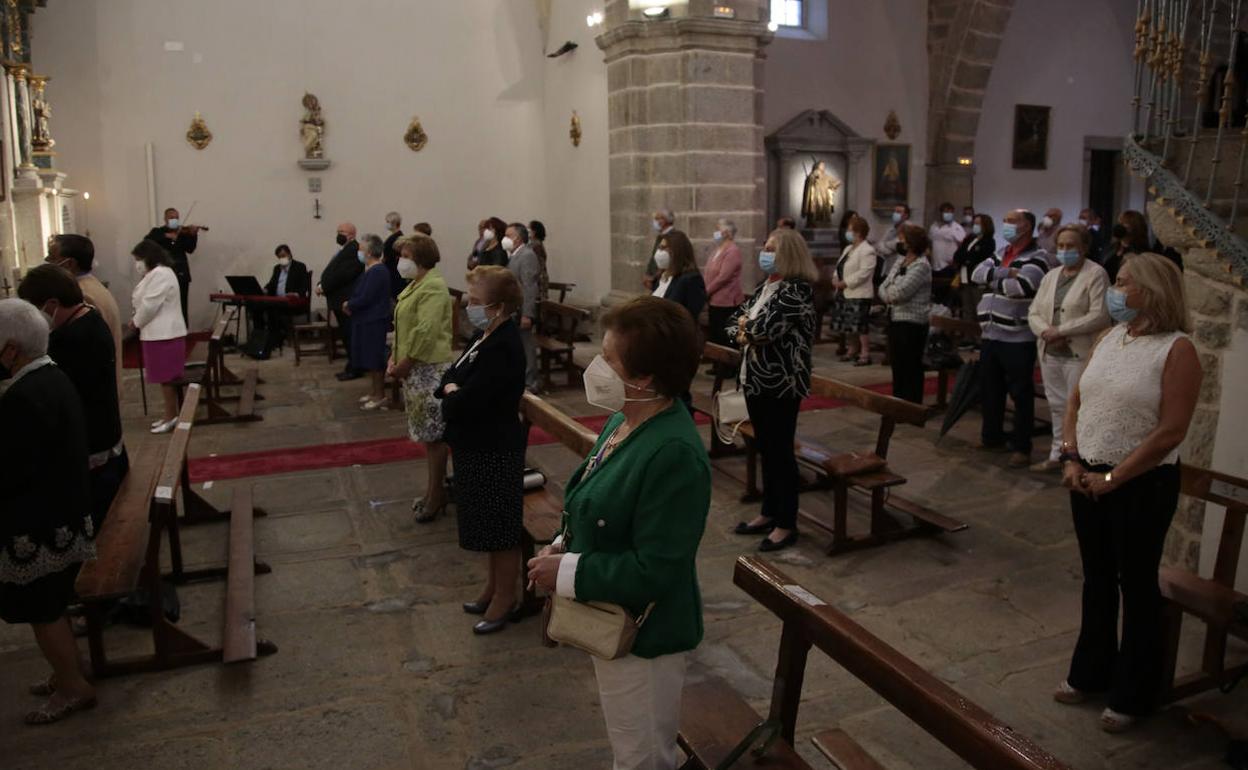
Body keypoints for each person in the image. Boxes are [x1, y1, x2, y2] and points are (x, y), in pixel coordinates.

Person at [526, 296, 709, 770]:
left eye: (609, 359)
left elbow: (657, 569)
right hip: (612, 617)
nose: (597, 366)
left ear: (645, 376)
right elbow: (596, 503)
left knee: (642, 757)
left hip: (646, 637)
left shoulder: (673, 452)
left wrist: (564, 573)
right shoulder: (625, 419)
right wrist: (564, 544)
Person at [1055, 253, 1202, 733]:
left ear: (1152, 290)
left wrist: (1116, 478)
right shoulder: (1110, 336)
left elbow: (1171, 431)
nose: (1114, 291)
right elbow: (1078, 400)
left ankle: (1135, 694)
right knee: (1096, 579)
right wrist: (1071, 457)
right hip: (1087, 476)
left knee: (1136, 586)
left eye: (1122, 283)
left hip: (1141, 484)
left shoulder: (1177, 350)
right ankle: (1091, 672)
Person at [0, 298, 98, 726]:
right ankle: (68, 671)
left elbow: (14, 467)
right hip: (64, 513)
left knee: (43, 610)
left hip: (39, 523)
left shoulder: (25, 395)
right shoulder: (51, 376)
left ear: (10, 348)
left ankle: (73, 687)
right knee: (52, 603)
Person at [435, 266, 527, 634]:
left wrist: (454, 394)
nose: (469, 307)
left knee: (500, 528)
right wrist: (452, 390)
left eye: (475, 301)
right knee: (486, 525)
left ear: (499, 306)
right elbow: (448, 378)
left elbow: (468, 399)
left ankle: (507, 597)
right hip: (474, 444)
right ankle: (493, 588)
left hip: (494, 446)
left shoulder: (504, 345)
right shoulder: (483, 334)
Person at [727, 228, 817, 552]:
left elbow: (764, 330)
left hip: (781, 385)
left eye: (772, 248)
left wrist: (746, 329)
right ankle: (768, 511)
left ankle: (786, 523)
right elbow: (732, 322)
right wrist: (744, 329)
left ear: (789, 254)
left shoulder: (796, 292)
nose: (765, 253)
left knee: (781, 453)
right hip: (754, 380)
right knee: (765, 449)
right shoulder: (765, 287)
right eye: (765, 247)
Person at [17, 265, 127, 529]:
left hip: (92, 447)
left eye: (34, 310)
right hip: (103, 437)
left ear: (52, 304)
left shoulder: (72, 339)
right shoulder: (88, 318)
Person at [1026, 225, 1111, 473]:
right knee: (1056, 405)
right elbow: (1034, 311)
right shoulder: (1051, 276)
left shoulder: (1096, 274)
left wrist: (1062, 331)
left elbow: (1099, 315)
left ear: (1084, 247)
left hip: (1078, 352)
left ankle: (1078, 456)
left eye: (1071, 246)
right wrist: (1046, 331)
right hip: (1050, 350)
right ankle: (1057, 452)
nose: (1065, 251)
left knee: (1077, 407)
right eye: (1061, 246)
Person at [971, 209, 1050, 467]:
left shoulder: (1038, 257)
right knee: (990, 389)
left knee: (1021, 393)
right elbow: (976, 275)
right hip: (991, 334)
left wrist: (994, 277)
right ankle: (991, 436)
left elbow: (1022, 288)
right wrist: (1006, 273)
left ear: (1026, 226)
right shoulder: (1000, 253)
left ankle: (1021, 446)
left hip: (1018, 337)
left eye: (1011, 221)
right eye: (1004, 220)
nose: (1006, 225)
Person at [387, 235, 455, 522]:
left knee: (435, 437)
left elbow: (425, 331)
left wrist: (405, 361)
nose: (401, 261)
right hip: (414, 368)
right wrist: (394, 357)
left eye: (405, 255)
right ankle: (432, 492)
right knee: (428, 438)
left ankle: (436, 495)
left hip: (427, 368)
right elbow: (403, 327)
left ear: (421, 257)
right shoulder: (416, 285)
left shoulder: (434, 287)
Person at [46, 234, 123, 399]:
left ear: (70, 264)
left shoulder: (81, 295)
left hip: (93, 387)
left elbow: (78, 346)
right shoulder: (92, 285)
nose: (47, 262)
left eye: (52, 258)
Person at [130, 239, 188, 434]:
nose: (136, 264)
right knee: (163, 378)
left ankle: (171, 417)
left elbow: (150, 305)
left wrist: (135, 321)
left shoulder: (161, 274)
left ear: (149, 258)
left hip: (164, 333)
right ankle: (169, 414)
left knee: (167, 378)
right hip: (156, 333)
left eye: (138, 259)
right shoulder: (153, 274)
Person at [879, 224, 932, 404]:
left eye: (902, 239)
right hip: (895, 318)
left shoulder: (921, 265)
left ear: (911, 242)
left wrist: (889, 294)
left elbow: (901, 293)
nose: (899, 242)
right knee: (898, 365)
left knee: (910, 366)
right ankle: (898, 402)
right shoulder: (901, 260)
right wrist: (889, 295)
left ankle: (911, 405)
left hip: (912, 322)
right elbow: (883, 286)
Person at [344, 234, 392, 410]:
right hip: (366, 320)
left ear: (370, 252)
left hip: (374, 321)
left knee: (375, 359)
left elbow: (366, 297)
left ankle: (380, 396)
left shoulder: (378, 271)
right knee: (369, 359)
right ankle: (374, 392)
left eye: (361, 249)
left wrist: (350, 304)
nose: (359, 252)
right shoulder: (370, 270)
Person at [318, 222, 363, 381]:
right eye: (338, 231)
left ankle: (355, 367)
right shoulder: (344, 249)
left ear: (352, 234)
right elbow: (331, 271)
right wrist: (320, 284)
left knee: (350, 335)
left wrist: (324, 287)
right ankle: (352, 365)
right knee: (346, 334)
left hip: (346, 299)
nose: (339, 234)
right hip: (338, 299)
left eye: (342, 231)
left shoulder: (354, 250)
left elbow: (344, 275)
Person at [249, 243, 311, 358]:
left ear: (289, 254)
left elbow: (304, 286)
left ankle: (275, 339)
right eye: (280, 257)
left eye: (284, 255)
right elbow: (272, 283)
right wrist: (266, 289)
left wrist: (296, 294)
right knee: (256, 307)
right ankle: (260, 339)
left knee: (273, 309)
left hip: (291, 301)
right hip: (277, 300)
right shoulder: (277, 268)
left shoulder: (299, 266)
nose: (282, 259)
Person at [830, 214, 876, 366]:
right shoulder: (848, 248)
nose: (847, 233)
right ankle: (852, 350)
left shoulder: (867, 250)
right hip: (843, 292)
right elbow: (840, 266)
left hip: (859, 292)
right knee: (848, 325)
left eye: (850, 230)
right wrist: (836, 278)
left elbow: (864, 272)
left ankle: (865, 353)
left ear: (859, 232)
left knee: (860, 325)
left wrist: (846, 283)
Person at [144, 207, 202, 326]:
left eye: (176, 218)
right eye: (171, 217)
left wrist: (193, 235)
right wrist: (168, 236)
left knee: (182, 304)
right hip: (163, 275)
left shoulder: (182, 233)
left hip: (181, 274)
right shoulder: (158, 232)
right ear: (165, 219)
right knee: (164, 305)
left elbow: (190, 249)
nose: (174, 220)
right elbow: (147, 241)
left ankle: (182, 331)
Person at [504, 223, 543, 392]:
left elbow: (529, 286)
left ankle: (531, 381)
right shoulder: (515, 255)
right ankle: (522, 378)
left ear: (517, 237)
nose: (504, 238)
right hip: (514, 309)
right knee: (519, 345)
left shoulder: (527, 255)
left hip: (522, 311)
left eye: (508, 235)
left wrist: (528, 314)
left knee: (527, 345)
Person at [702, 218, 744, 355]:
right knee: (716, 332)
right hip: (714, 299)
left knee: (725, 333)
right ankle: (717, 363)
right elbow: (709, 271)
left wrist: (707, 291)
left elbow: (723, 277)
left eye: (717, 229)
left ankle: (727, 365)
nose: (715, 232)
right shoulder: (718, 249)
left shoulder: (732, 251)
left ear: (726, 232)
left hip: (727, 299)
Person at [650, 229, 707, 321]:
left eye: (664, 248)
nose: (659, 252)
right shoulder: (661, 277)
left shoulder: (691, 279)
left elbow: (689, 316)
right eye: (659, 247)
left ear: (677, 251)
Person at [952, 213, 997, 322]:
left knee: (978, 309)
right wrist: (966, 259)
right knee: (967, 310)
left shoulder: (989, 241)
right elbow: (958, 255)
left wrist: (967, 259)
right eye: (974, 223)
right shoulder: (970, 239)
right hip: (964, 278)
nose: (975, 226)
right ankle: (968, 337)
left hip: (977, 281)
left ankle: (978, 337)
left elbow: (977, 258)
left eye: (978, 223)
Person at [928, 201, 966, 305]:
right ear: (941, 213)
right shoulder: (933, 226)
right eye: (945, 211)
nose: (947, 214)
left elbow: (963, 245)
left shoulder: (957, 228)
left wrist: (957, 260)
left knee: (947, 294)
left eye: (950, 212)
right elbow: (930, 243)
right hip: (935, 264)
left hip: (949, 266)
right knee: (936, 293)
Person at [643, 208, 676, 291]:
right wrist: (647, 274)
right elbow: (654, 257)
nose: (655, 222)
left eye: (657, 219)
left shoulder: (673, 236)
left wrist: (653, 278)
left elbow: (669, 261)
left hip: (664, 280)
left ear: (665, 220)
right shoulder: (661, 236)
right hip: (656, 279)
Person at [877, 203, 910, 273]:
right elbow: (879, 245)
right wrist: (890, 250)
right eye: (895, 211)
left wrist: (886, 244)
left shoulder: (909, 228)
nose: (895, 214)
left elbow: (898, 245)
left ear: (906, 215)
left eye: (899, 212)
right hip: (888, 269)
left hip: (901, 269)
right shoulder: (890, 229)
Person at [382, 211, 405, 298]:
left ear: (395, 223)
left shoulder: (398, 238)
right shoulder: (394, 236)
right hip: (390, 271)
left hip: (394, 273)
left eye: (388, 222)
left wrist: (385, 260)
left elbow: (392, 256)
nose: (386, 224)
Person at [528, 219, 551, 304]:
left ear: (534, 231)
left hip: (538, 278)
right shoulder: (534, 243)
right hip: (538, 276)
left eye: (529, 228)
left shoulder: (536, 244)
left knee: (538, 303)